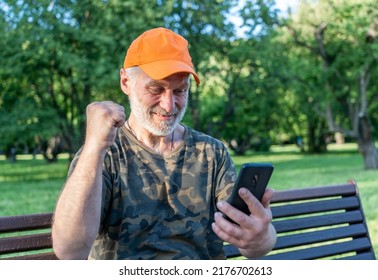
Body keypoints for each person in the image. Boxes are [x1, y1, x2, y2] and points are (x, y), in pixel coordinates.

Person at [52, 27, 276, 260]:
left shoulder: (212, 153)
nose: (169, 105)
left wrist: (261, 236)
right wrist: (94, 148)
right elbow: (70, 251)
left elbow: (254, 243)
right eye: (156, 89)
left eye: (180, 90)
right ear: (126, 82)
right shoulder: (103, 153)